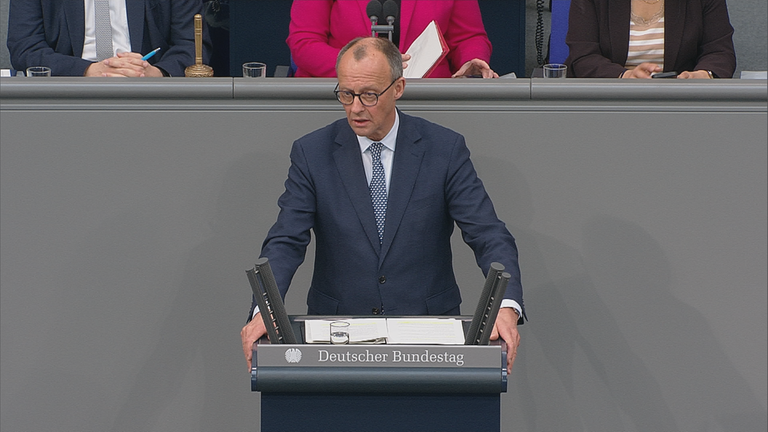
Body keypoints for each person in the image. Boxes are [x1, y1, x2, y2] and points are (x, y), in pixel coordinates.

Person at [240, 37, 524, 373]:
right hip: (339, 335)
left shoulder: (443, 149)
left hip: (428, 333)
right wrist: (264, 309)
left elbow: (488, 233)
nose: (356, 107)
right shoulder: (312, 153)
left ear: (398, 87)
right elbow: (286, 239)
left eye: (369, 95)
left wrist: (506, 307)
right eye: (346, 94)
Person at [286, 0, 498, 78]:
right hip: (345, 94)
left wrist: (472, 58)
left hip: (426, 98)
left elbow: (468, 37)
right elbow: (304, 42)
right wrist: (366, 68)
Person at [7, 0, 211, 77]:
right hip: (68, 92)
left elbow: (192, 44)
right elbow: (25, 48)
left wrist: (155, 74)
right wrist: (90, 70)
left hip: (149, 92)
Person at [564, 0, 736, 78]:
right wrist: (626, 76)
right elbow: (584, 56)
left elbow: (719, 51)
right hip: (607, 102)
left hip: (680, 104)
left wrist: (704, 75)